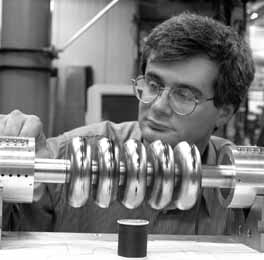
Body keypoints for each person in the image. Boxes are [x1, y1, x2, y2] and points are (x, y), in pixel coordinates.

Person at [1, 12, 255, 235]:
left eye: (184, 95)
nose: (157, 106)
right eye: (153, 85)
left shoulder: (246, 187)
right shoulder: (69, 156)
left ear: (224, 112)